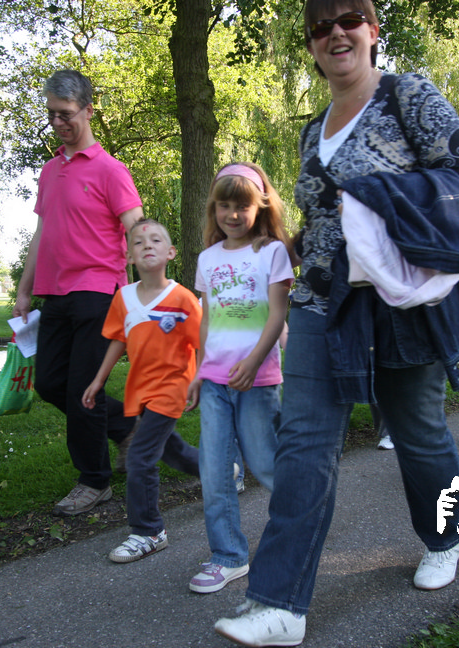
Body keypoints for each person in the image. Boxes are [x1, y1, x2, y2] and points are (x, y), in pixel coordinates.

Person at [213, 1, 459, 645]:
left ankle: (447, 536)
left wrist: (377, 195)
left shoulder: (408, 96)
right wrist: (291, 247)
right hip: (323, 302)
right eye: (320, 25)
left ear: (372, 30)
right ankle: (279, 605)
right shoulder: (313, 130)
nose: (335, 32)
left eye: (349, 18)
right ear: (311, 44)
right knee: (305, 442)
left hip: (401, 298)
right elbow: (324, 219)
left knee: (418, 431)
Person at [13, 69, 144, 517]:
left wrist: (146, 288)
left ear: (88, 110)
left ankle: (94, 481)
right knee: (50, 383)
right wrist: (24, 291)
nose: (58, 122)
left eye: (65, 114)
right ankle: (126, 426)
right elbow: (42, 233)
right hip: (55, 293)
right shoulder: (50, 171)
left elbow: (136, 227)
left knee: (83, 390)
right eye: (51, 114)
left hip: (99, 290)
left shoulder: (111, 170)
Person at [184, 162, 293, 594]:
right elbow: (207, 319)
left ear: (259, 207)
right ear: (214, 209)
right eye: (224, 205)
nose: (232, 214)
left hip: (257, 380)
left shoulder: (272, 252)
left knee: (266, 464)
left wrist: (253, 362)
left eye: (242, 206)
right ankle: (228, 556)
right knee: (214, 472)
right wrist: (198, 372)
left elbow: (278, 314)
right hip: (214, 381)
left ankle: (300, 532)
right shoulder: (207, 259)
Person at [82, 219, 201, 563]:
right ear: (129, 257)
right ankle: (220, 473)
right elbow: (119, 340)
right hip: (141, 389)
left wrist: (202, 378)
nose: (147, 244)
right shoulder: (123, 298)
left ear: (171, 252)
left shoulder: (182, 299)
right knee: (170, 449)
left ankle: (149, 530)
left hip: (173, 387)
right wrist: (98, 380)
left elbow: (203, 340)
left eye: (156, 240)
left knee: (139, 455)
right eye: (138, 242)